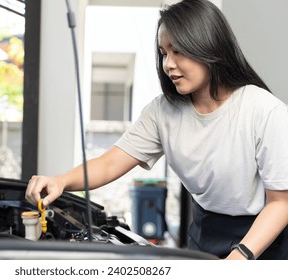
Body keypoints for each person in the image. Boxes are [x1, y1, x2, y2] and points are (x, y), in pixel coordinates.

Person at [25, 0, 288, 260]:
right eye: (164, 53)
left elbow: (281, 203)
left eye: (178, 51)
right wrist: (60, 181)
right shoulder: (163, 111)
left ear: (208, 45)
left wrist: (240, 256)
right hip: (206, 229)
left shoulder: (264, 110)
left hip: (264, 234)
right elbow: (109, 164)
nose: (168, 64)